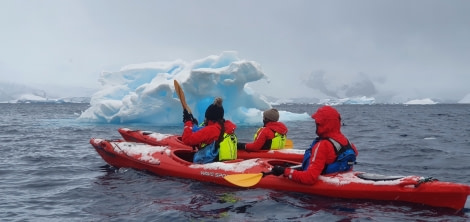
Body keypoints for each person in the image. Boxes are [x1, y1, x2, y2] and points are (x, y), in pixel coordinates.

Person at [271, 105, 358, 185]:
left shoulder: (322, 145)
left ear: (321, 124)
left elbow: (309, 178)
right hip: (340, 179)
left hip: (318, 196)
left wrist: (285, 171)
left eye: (317, 123)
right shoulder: (348, 142)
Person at [181, 97, 238, 163]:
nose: (205, 120)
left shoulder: (211, 130)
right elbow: (201, 131)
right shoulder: (224, 126)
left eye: (206, 117)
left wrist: (187, 123)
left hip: (210, 165)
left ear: (209, 117)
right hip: (223, 163)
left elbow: (187, 140)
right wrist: (193, 124)